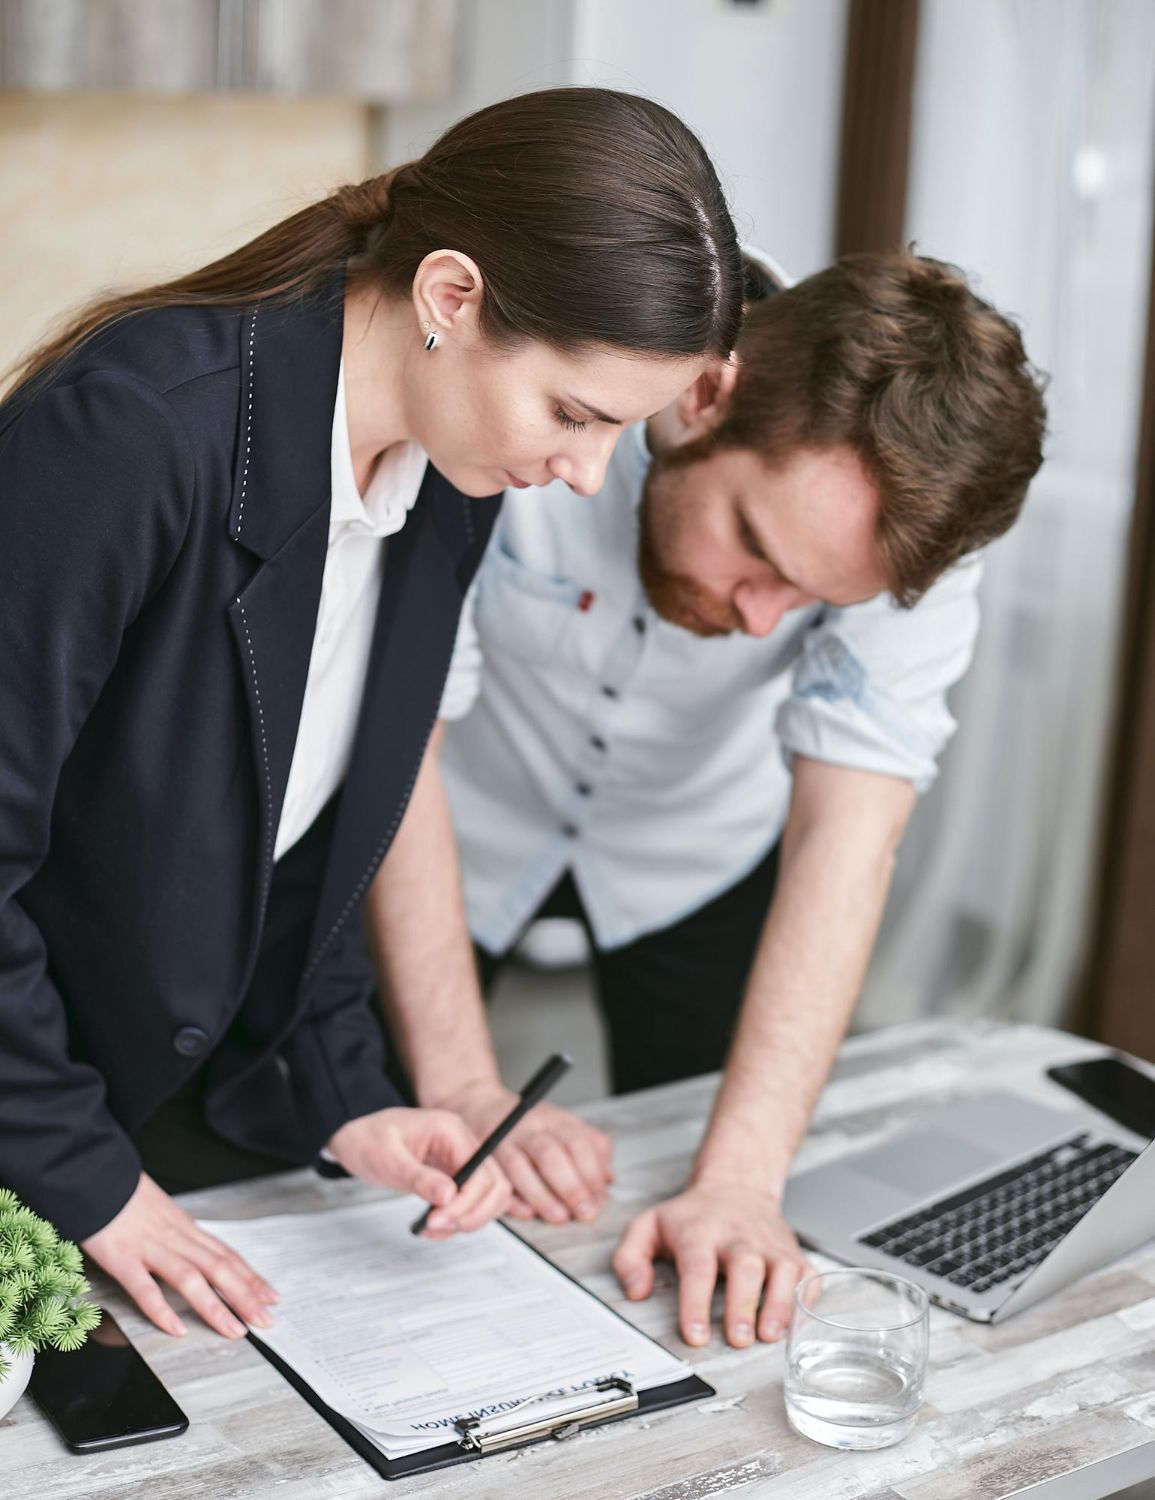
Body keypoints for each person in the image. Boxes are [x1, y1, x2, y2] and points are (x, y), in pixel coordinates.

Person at [0, 87, 744, 1342]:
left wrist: (344, 1090)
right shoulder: (130, 431)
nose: (584, 473)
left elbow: (308, 824)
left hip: (157, 1089)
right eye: (575, 414)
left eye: (620, 432)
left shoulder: (451, 477)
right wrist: (87, 1172)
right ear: (451, 299)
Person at [379, 248, 1047, 1350]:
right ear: (704, 397)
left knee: (701, 1170)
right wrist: (459, 1078)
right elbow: (401, 747)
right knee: (376, 1160)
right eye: (753, 550)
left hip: (694, 852)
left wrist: (740, 1186)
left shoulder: (913, 533)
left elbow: (848, 835)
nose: (755, 621)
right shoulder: (538, 399)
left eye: (808, 601)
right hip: (459, 813)